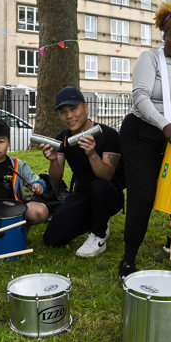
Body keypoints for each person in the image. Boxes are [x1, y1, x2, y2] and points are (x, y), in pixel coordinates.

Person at [119, 0, 171, 277]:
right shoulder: (150, 58)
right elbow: (140, 97)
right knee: (142, 196)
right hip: (142, 132)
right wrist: (165, 125)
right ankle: (129, 259)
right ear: (164, 34)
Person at [40, 86, 124, 257]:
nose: (69, 115)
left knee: (99, 186)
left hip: (109, 194)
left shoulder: (108, 135)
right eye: (63, 112)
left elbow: (107, 175)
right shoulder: (63, 138)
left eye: (73, 109)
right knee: (52, 239)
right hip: (81, 195)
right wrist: (54, 160)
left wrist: (92, 154)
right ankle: (97, 219)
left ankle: (99, 235)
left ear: (85, 108)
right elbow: (56, 177)